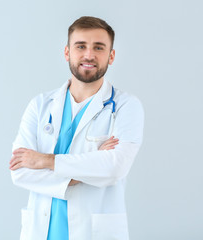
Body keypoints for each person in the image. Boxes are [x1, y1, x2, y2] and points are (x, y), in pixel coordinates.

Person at [9, 16, 144, 240]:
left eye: (98, 47)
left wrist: (45, 161)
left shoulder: (126, 107)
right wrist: (90, 166)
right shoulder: (40, 105)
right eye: (80, 46)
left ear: (111, 56)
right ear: (67, 52)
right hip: (40, 232)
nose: (89, 55)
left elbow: (114, 168)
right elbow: (20, 172)